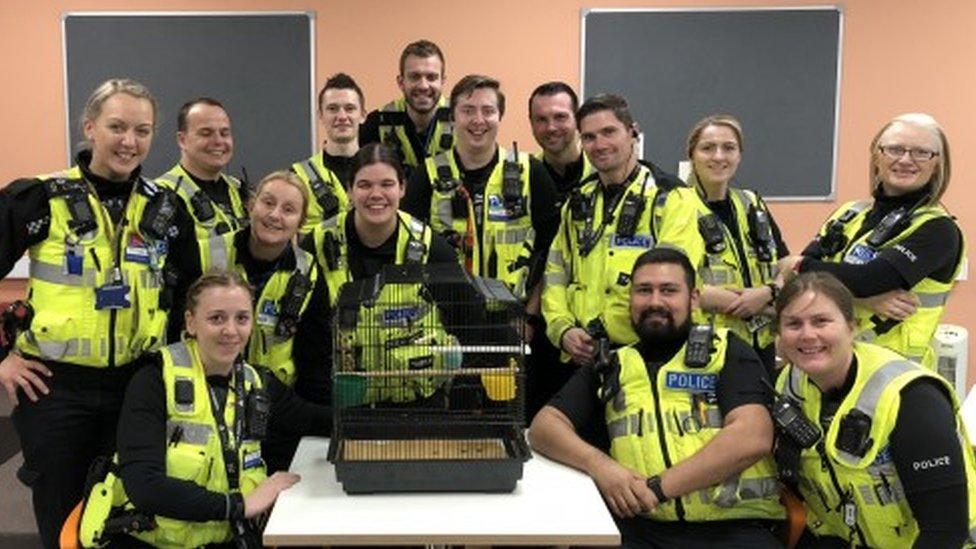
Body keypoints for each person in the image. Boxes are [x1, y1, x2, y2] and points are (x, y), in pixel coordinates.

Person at [0, 78, 180, 548]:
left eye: (142, 130)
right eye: (116, 126)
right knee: (63, 515)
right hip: (58, 389)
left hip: (138, 386)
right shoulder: (39, 199)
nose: (129, 141)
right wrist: (1, 359)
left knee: (130, 516)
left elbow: (183, 295)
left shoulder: (164, 206)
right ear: (90, 127)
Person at [530, 247, 783, 548]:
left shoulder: (727, 350)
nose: (655, 302)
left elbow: (752, 436)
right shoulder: (611, 363)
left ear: (694, 298)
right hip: (640, 529)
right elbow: (544, 426)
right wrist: (600, 467)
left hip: (733, 527)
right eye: (643, 291)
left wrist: (658, 488)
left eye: (669, 290)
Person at [77, 270, 331, 548]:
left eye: (242, 318)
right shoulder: (153, 379)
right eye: (216, 318)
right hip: (152, 542)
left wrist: (381, 423)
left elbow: (312, 419)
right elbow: (145, 486)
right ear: (191, 322)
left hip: (224, 539)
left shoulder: (256, 382)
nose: (231, 331)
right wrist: (238, 506)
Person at [772, 271, 976, 548]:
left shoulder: (911, 398)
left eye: (821, 321)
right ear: (779, 336)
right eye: (794, 324)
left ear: (852, 326)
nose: (808, 335)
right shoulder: (788, 383)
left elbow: (945, 530)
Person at [167, 170, 329, 472]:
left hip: (275, 407)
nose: (275, 215)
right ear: (250, 206)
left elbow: (315, 360)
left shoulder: (308, 273)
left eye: (289, 209)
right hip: (204, 402)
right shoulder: (204, 255)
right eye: (267, 203)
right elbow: (172, 331)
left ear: (301, 222)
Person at [780, 113, 963, 369]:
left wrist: (800, 264)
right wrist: (861, 299)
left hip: (891, 376)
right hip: (823, 367)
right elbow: (798, 287)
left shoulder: (939, 230)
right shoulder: (849, 213)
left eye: (921, 152)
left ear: (937, 164)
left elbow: (870, 279)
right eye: (895, 149)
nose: (905, 159)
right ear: (877, 156)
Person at [541, 94, 701, 376]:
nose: (599, 145)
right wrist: (562, 330)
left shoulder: (671, 198)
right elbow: (555, 273)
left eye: (609, 132)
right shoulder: (578, 201)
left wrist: (601, 329)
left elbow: (669, 284)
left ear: (632, 132)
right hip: (579, 358)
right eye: (589, 137)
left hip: (647, 357)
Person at [402, 75, 559, 334]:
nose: (478, 120)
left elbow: (554, 255)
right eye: (468, 111)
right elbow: (409, 256)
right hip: (444, 324)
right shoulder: (425, 177)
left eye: (488, 111)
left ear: (500, 117)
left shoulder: (531, 172)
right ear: (452, 118)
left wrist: (531, 317)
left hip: (514, 321)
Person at [303, 143, 458, 404]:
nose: (376, 194)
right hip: (343, 405)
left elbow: (464, 319)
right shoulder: (317, 245)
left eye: (387, 184)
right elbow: (309, 340)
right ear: (349, 190)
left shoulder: (432, 247)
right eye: (364, 185)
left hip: (418, 403)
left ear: (402, 188)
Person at [686, 115, 789, 376]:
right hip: (708, 344)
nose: (719, 156)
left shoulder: (752, 203)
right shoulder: (675, 206)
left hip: (761, 343)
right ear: (692, 155)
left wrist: (766, 294)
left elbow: (786, 264)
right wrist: (740, 302)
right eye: (708, 148)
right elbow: (673, 282)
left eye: (729, 148)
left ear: (739, 155)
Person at [155, 98, 249, 271]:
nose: (219, 141)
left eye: (225, 133)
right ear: (182, 140)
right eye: (206, 133)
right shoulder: (162, 196)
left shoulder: (241, 191)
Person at [359, 39, 453, 178]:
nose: (423, 86)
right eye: (415, 77)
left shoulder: (462, 118)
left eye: (431, 77)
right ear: (401, 82)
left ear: (442, 81)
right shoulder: (377, 122)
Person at [292, 72, 366, 233]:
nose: (342, 116)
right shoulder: (297, 178)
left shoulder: (380, 174)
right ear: (321, 115)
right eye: (332, 109)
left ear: (362, 115)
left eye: (350, 108)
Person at [528, 81, 594, 207]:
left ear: (577, 119)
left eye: (560, 117)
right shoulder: (524, 176)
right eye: (541, 119)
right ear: (531, 123)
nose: (551, 128)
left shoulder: (602, 172)